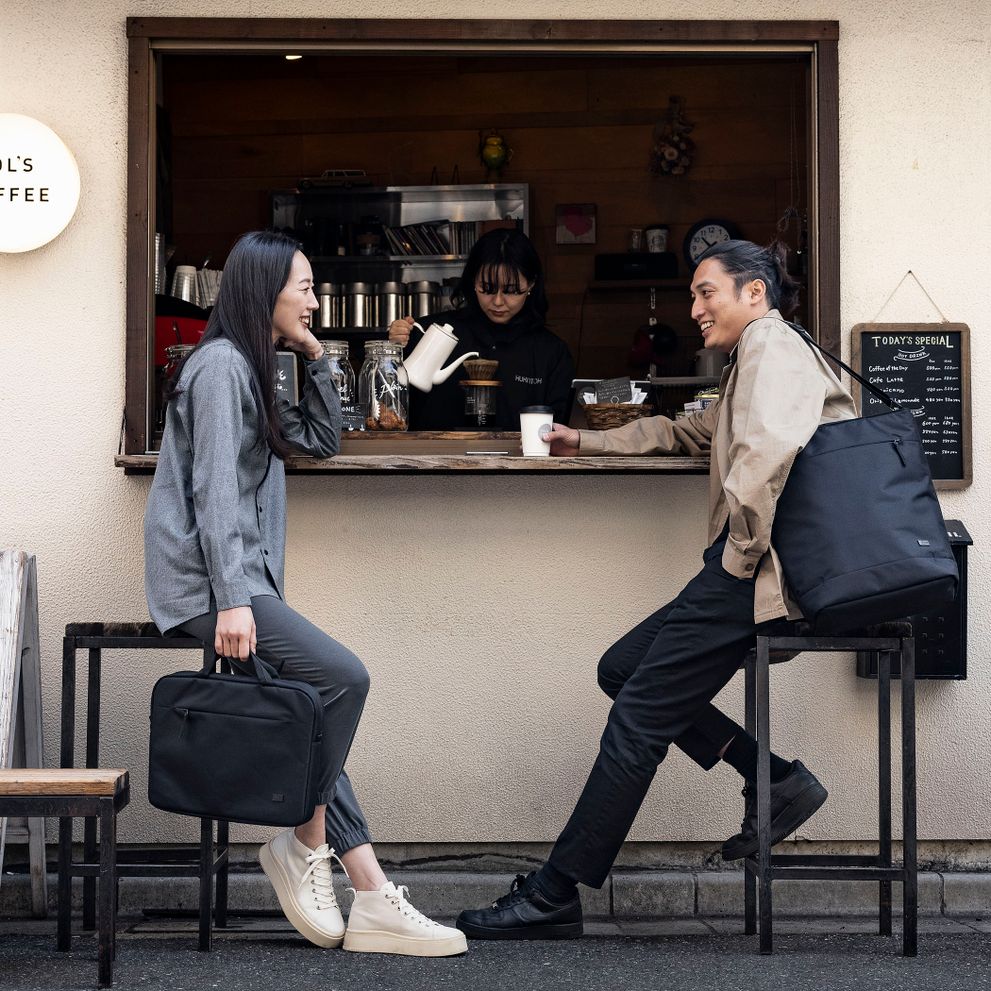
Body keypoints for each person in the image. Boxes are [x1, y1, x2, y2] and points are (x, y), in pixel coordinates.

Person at [455, 239, 858, 940]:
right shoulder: (756, 356)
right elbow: (691, 431)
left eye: (707, 292)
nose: (694, 308)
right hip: (747, 563)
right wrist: (585, 442)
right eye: (693, 295)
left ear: (754, 292)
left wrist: (737, 553)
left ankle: (554, 892)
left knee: (637, 716)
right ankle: (771, 778)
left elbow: (765, 454)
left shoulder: (770, 344)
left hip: (754, 569)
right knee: (622, 668)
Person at [144, 230, 466, 958]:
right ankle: (305, 839)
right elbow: (215, 490)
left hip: (240, 583)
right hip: (209, 586)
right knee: (342, 677)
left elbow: (322, 437)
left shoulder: (254, 366)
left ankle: (373, 891)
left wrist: (317, 354)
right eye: (307, 288)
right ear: (265, 291)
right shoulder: (221, 366)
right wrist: (231, 598)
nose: (317, 301)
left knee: (315, 714)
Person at [388, 228, 575, 429]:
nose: (498, 301)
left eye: (511, 290)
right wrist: (393, 350)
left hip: (522, 460)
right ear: (472, 281)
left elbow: (559, 427)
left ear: (531, 285)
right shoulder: (432, 333)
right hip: (433, 458)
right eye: (487, 288)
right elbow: (388, 400)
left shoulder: (550, 352)